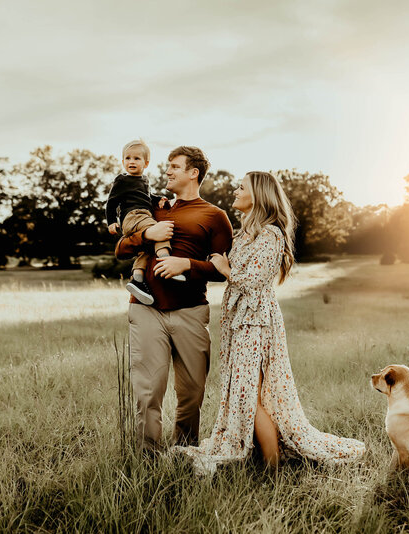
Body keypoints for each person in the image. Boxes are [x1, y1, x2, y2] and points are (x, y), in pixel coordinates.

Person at [172, 171, 366, 477]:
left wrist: (225, 269)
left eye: (241, 188)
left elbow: (255, 281)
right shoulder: (244, 233)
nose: (235, 191)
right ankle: (263, 457)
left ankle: (273, 469)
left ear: (258, 196)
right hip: (239, 321)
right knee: (244, 391)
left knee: (254, 393)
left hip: (256, 323)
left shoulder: (271, 235)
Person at [115, 146, 233, 453]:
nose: (167, 171)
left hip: (191, 312)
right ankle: (148, 459)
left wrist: (188, 265)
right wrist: (146, 236)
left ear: (193, 173)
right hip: (146, 310)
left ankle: (185, 453)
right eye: (167, 166)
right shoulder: (154, 209)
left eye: (174, 166)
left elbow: (224, 271)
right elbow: (121, 249)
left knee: (192, 392)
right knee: (148, 391)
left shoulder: (215, 216)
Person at [105, 139, 184, 306]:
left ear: (146, 163)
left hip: (142, 215)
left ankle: (137, 279)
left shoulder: (145, 180)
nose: (131, 162)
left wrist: (158, 199)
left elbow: (146, 196)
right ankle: (166, 261)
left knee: (147, 250)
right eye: (128, 158)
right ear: (122, 162)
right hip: (133, 215)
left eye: (136, 158)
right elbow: (111, 202)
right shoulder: (122, 180)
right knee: (159, 231)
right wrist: (111, 221)